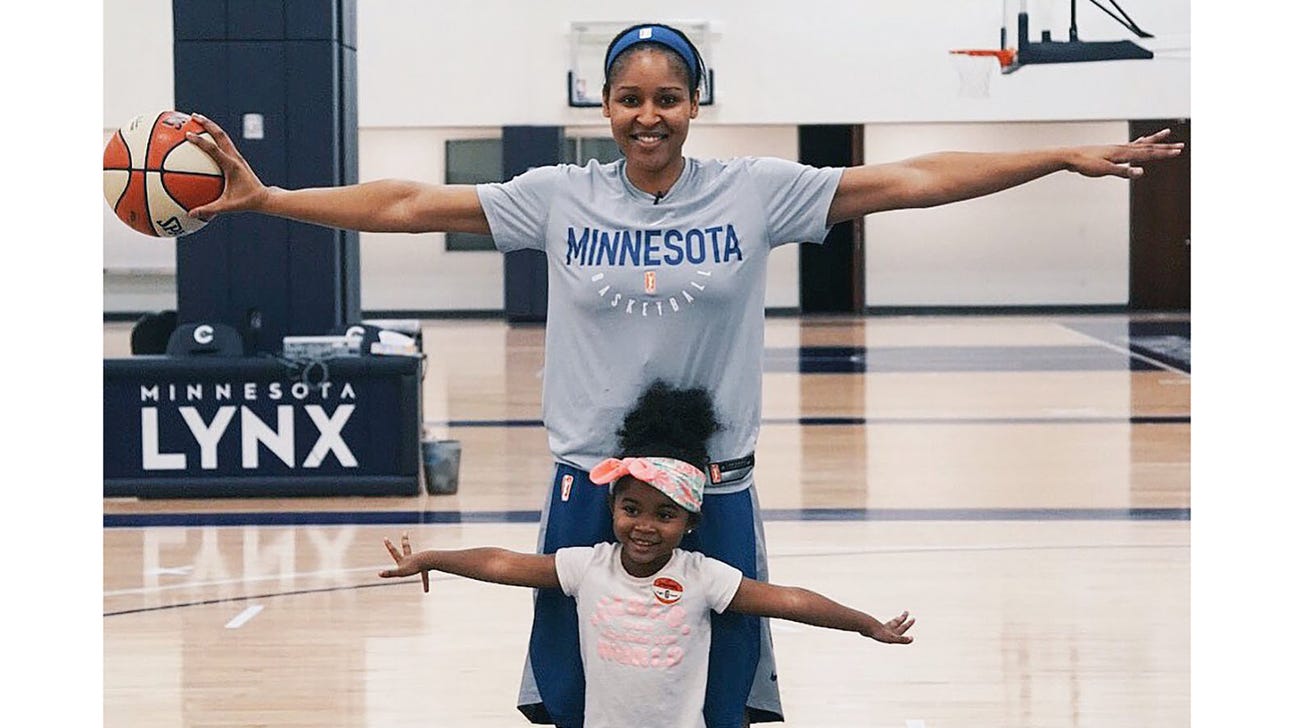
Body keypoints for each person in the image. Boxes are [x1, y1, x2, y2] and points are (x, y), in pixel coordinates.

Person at [183, 21, 1182, 727]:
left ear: (696, 103)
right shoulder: (559, 195)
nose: (648, 115)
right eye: (630, 98)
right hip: (592, 484)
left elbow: (911, 181)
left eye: (667, 98)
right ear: (604, 104)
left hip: (715, 485)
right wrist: (271, 198)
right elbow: (407, 204)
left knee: (721, 697)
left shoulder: (755, 191)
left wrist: (1055, 155)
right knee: (577, 698)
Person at [378, 381, 916, 728]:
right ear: (613, 507)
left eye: (664, 515)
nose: (644, 527)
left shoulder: (703, 577)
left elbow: (790, 602)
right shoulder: (588, 566)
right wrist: (432, 558)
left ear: (689, 523)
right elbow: (503, 564)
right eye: (632, 509)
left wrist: (865, 625)